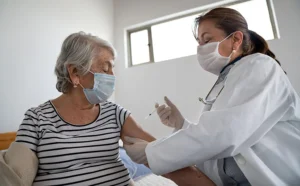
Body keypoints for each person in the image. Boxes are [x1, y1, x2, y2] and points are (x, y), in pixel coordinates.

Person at [0, 32, 215, 186]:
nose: (113, 76)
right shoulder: (37, 119)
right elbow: (14, 176)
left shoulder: (115, 113)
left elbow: (163, 156)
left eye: (113, 68)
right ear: (75, 72)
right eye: (105, 68)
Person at [124, 7, 300, 186]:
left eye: (207, 39)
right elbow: (216, 136)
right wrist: (181, 125)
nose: (201, 48)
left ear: (236, 39)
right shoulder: (227, 79)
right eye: (199, 42)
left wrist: (151, 152)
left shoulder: (260, 66)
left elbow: (227, 132)